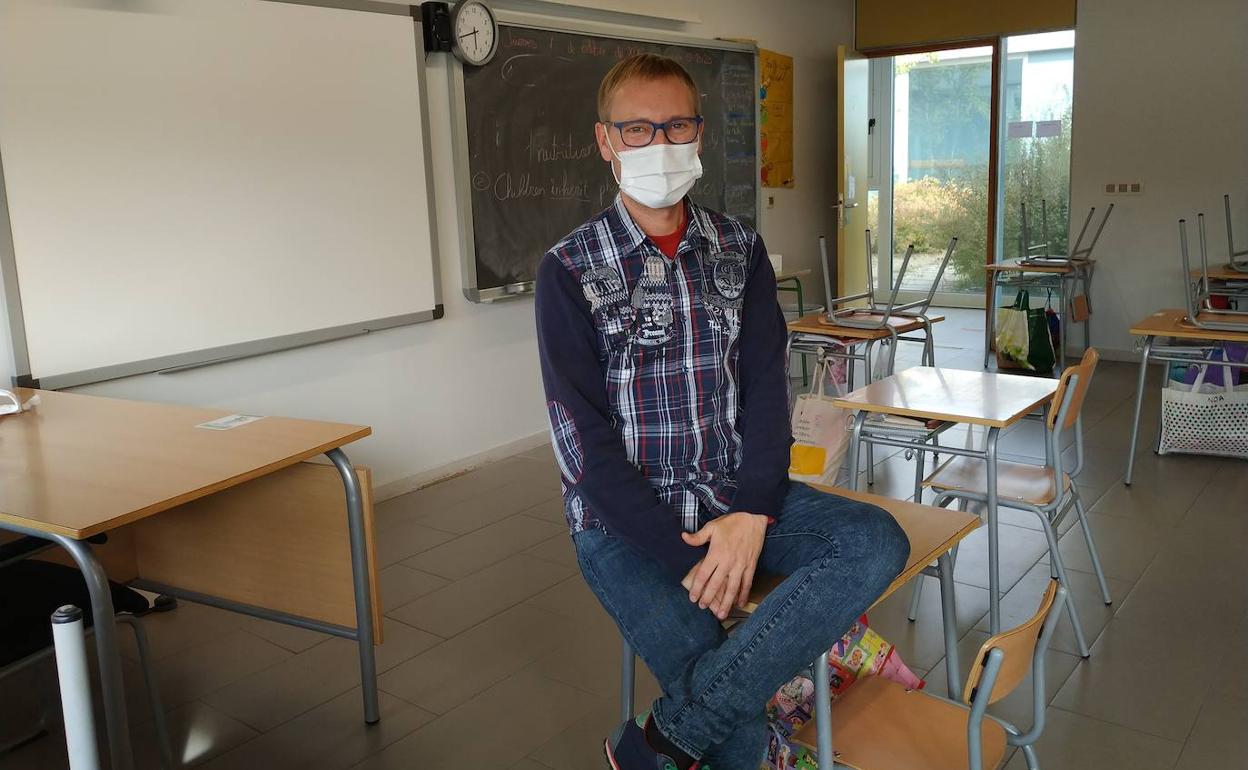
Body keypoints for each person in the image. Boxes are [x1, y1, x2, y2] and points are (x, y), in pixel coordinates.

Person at [534, 53, 910, 770]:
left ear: (700, 134)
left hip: (736, 491)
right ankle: (709, 727)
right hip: (622, 527)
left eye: (676, 125)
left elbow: (771, 391)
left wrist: (751, 514)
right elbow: (579, 444)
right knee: (721, 676)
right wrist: (689, 555)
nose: (660, 143)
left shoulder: (739, 248)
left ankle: (665, 738)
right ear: (606, 141)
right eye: (638, 129)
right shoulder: (570, 269)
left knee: (874, 540)